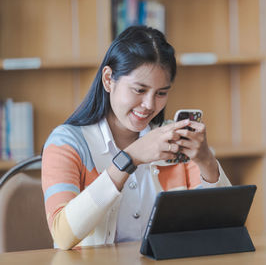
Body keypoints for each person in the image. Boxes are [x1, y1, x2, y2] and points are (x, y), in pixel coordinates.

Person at [41, 26, 231, 250]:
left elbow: (223, 226)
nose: (150, 105)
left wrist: (206, 161)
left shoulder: (174, 139)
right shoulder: (67, 143)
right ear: (109, 79)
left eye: (161, 93)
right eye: (139, 90)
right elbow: (63, 235)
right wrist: (130, 157)